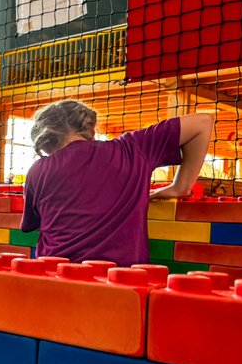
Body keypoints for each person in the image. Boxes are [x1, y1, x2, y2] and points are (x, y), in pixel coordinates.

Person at [20, 100, 213, 266]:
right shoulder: (130, 149)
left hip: (55, 274)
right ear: (88, 128)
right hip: (121, 280)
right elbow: (203, 123)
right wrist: (180, 187)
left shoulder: (38, 170)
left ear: (47, 138)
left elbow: (34, 224)